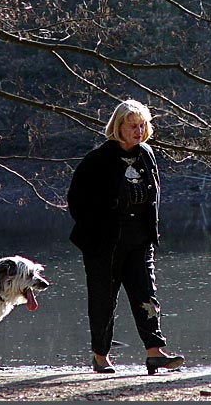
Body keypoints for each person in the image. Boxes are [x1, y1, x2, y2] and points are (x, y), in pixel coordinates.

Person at [67, 99, 184, 375]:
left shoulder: (146, 153)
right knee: (103, 299)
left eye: (143, 125)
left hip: (140, 239)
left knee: (147, 295)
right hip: (103, 243)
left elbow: (154, 193)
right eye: (132, 125)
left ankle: (155, 353)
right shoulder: (98, 159)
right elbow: (76, 201)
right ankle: (101, 356)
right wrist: (97, 227)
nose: (138, 130)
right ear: (118, 126)